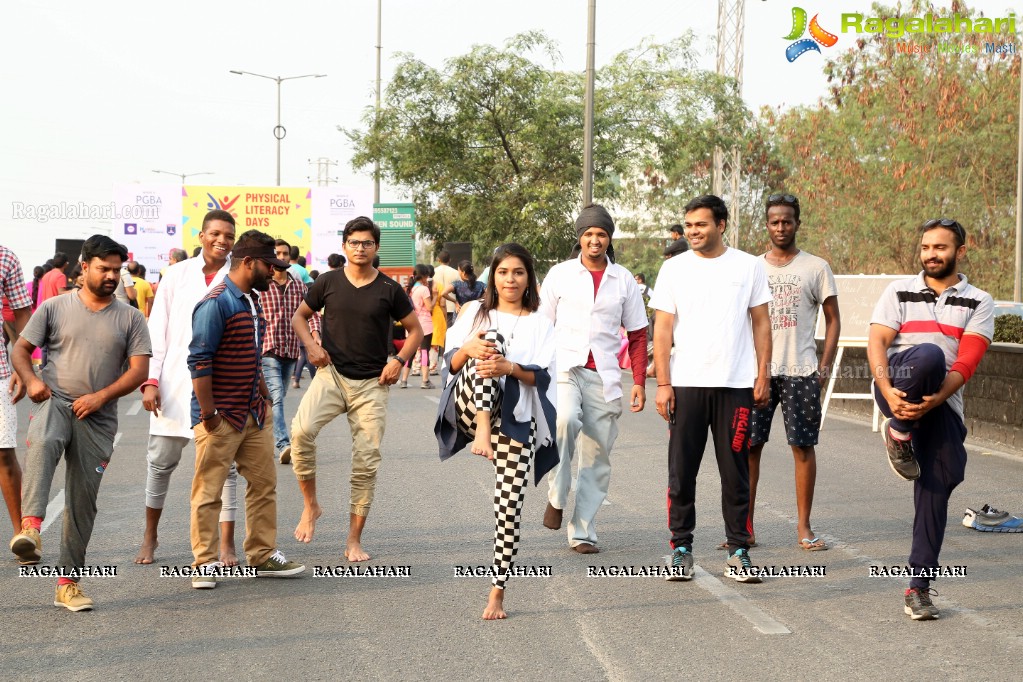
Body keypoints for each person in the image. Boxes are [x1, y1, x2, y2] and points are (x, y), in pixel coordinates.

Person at [10, 235, 151, 611]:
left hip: (99, 419)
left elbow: (139, 370)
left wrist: (101, 397)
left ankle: (68, 584)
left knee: (82, 502)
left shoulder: (130, 317)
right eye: (104, 268)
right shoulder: (54, 308)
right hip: (55, 401)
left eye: (117, 270)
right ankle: (31, 528)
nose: (111, 276)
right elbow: (20, 349)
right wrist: (34, 380)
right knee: (42, 442)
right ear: (84, 267)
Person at [867, 218, 993, 621]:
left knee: (941, 483)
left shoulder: (979, 300)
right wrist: (886, 392)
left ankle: (918, 588)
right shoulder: (898, 291)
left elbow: (968, 360)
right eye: (925, 247)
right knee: (929, 355)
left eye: (940, 247)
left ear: (960, 250)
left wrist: (937, 398)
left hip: (943, 402)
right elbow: (877, 341)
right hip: (898, 384)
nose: (931, 255)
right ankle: (899, 431)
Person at [650, 194, 772, 584]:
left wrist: (763, 374)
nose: (693, 232)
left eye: (700, 225)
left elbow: (761, 323)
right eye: (688, 226)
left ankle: (738, 550)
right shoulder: (674, 270)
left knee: (734, 471)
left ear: (721, 224)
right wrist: (664, 383)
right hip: (685, 386)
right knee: (681, 472)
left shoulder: (749, 266)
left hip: (735, 385)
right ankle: (680, 549)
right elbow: (663, 328)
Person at [289, 216, 423, 562]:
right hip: (331, 375)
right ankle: (311, 506)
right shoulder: (328, 282)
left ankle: (353, 539)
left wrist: (399, 361)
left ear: (375, 248)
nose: (360, 248)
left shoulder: (390, 290)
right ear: (344, 246)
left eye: (367, 243)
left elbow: (416, 332)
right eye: (354, 242)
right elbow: (299, 318)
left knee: (365, 463)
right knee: (301, 432)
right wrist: (312, 346)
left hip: (372, 385)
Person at [435, 242, 557, 620]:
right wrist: (469, 348)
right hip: (471, 410)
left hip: (517, 419)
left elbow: (544, 376)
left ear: (528, 278)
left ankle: (497, 592)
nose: (510, 279)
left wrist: (511, 369)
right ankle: (484, 429)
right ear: (493, 276)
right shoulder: (473, 311)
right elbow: (448, 367)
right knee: (490, 341)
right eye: (503, 272)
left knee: (509, 509)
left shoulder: (542, 321)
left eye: (518, 272)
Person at [187, 230, 305, 587]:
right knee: (208, 491)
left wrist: (265, 393)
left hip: (253, 413)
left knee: (264, 486)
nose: (274, 272)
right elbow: (200, 361)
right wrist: (209, 415)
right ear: (248, 263)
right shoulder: (216, 303)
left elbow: (249, 353)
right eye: (269, 265)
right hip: (221, 416)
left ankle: (262, 554)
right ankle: (204, 562)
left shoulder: (251, 300)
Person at [539, 205, 648, 553]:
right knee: (565, 421)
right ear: (580, 238)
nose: (594, 240)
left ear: (608, 238)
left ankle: (583, 531)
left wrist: (641, 383)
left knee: (597, 456)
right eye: (588, 234)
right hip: (564, 368)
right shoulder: (560, 275)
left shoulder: (624, 279)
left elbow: (638, 335)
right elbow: (541, 326)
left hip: (605, 376)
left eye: (600, 234)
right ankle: (557, 494)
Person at [134, 210, 240, 566]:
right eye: (215, 233)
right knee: (160, 464)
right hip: (174, 385)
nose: (221, 240)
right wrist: (151, 380)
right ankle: (150, 536)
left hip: (220, 389)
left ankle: (226, 545)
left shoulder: (236, 279)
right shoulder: (177, 275)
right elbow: (157, 330)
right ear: (201, 236)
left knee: (224, 469)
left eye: (228, 235)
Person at [745, 194, 840, 552]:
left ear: (797, 223)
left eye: (787, 221)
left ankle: (804, 526)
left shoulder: (815, 267)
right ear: (766, 225)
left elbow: (833, 320)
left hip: (801, 371)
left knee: (802, 447)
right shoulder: (752, 268)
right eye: (774, 222)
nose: (781, 227)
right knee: (750, 448)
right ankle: (746, 527)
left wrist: (824, 368)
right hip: (758, 374)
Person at [263, 240, 319, 464]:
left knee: (275, 399)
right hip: (267, 349)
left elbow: (312, 312)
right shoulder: (261, 285)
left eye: (285, 253)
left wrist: (315, 334)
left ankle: (255, 436)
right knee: (275, 397)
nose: (282, 257)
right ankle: (283, 444)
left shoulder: (298, 285)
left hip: (290, 351)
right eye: (277, 253)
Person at [0, 246, 32, 539]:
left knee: (3, 451)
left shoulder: (6, 257)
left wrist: (23, 367)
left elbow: (23, 313)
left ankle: (22, 534)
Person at [399, 264, 435, 389]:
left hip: (412, 324)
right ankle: (425, 381)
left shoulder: (411, 289)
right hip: (425, 324)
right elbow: (429, 307)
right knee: (425, 351)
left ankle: (403, 380)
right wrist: (435, 297)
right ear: (424, 276)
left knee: (411, 352)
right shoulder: (424, 289)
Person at [433, 250, 459, 325]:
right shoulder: (456, 273)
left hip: (437, 307)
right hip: (452, 306)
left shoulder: (433, 272)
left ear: (438, 260)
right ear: (449, 260)